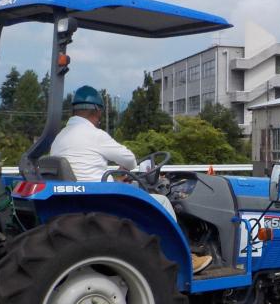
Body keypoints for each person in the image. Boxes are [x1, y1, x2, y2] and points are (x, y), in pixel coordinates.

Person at [51, 85, 212, 273]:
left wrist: (115, 180)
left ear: (74, 110)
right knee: (162, 201)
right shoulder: (94, 135)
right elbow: (130, 159)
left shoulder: (60, 138)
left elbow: (84, 170)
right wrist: (122, 172)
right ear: (96, 111)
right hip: (99, 202)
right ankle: (185, 260)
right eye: (100, 114)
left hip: (81, 198)